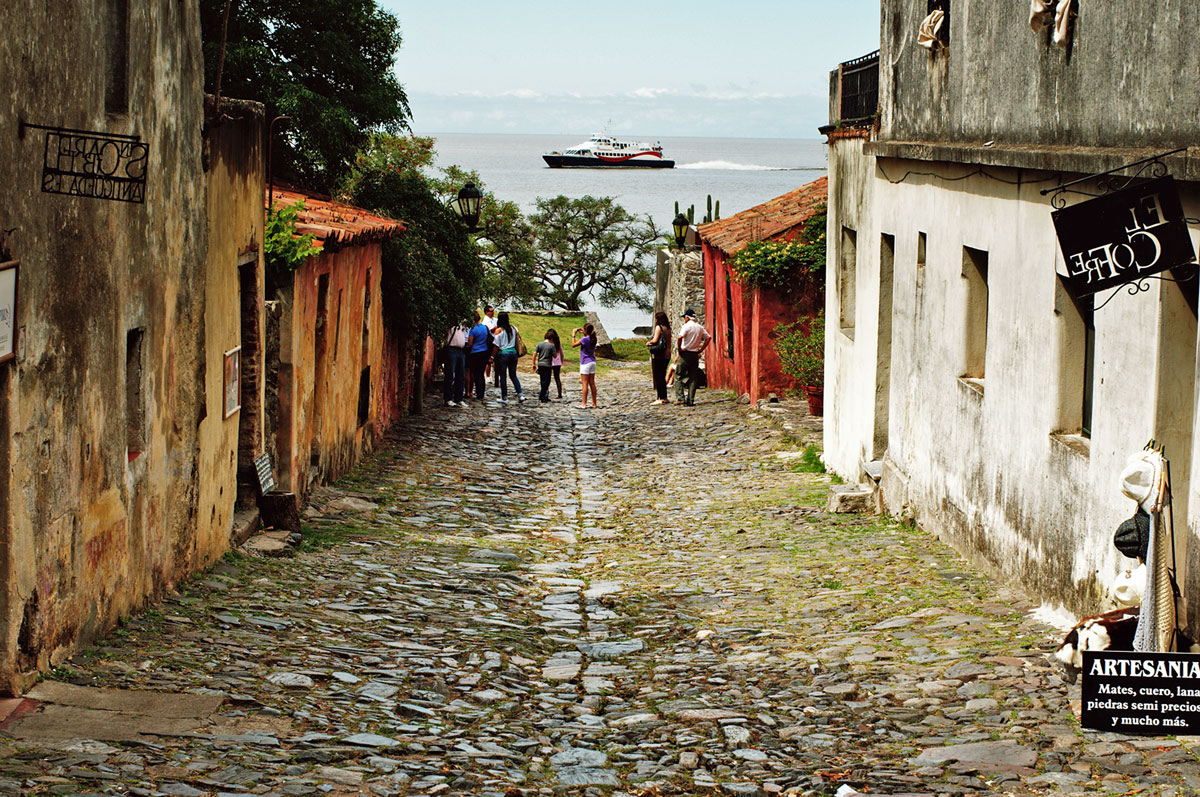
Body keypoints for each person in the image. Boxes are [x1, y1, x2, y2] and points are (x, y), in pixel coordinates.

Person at [673, 308, 711, 407]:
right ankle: (690, 399)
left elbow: (680, 337)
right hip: (695, 354)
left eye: (684, 318)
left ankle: (681, 398)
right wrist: (701, 349)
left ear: (687, 317)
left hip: (685, 353)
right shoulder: (699, 327)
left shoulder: (686, 326)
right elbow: (708, 338)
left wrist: (679, 348)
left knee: (678, 375)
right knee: (693, 377)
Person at [491, 311, 525, 403]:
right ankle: (520, 394)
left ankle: (504, 397)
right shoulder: (513, 328)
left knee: (503, 376)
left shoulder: (499, 330)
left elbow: (496, 345)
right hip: (513, 353)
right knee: (513, 375)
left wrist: (492, 357)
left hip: (503, 353)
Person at [646, 310, 672, 404]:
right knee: (662, 375)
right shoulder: (668, 328)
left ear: (658, 319)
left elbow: (655, 340)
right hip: (667, 354)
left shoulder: (659, 327)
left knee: (658, 377)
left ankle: (661, 397)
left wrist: (649, 343)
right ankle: (664, 397)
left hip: (659, 354)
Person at [442, 319, 470, 407]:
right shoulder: (451, 322)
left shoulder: (463, 325)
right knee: (450, 374)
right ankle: (448, 399)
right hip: (452, 349)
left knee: (461, 376)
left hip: (461, 350)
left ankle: (459, 398)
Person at [465, 311, 492, 401]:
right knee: (481, 372)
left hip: (475, 352)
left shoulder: (473, 329)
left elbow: (470, 342)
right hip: (484, 351)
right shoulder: (485, 327)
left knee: (475, 373)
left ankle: (477, 391)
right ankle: (481, 392)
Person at [572, 323, 599, 409]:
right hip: (592, 361)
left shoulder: (584, 339)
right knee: (592, 383)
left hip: (585, 362)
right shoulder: (593, 338)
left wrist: (573, 335)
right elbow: (588, 336)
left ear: (586, 331)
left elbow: (573, 345)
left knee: (585, 383)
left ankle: (584, 403)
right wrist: (584, 332)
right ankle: (594, 403)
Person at [534, 330, 559, 403]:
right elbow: (555, 356)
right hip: (547, 365)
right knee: (547, 381)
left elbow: (534, 354)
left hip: (540, 364)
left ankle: (544, 395)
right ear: (551, 339)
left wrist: (533, 363)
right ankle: (542, 395)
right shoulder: (551, 346)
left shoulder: (539, 344)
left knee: (542, 380)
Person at [483, 305, 498, 385]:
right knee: (489, 359)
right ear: (487, 312)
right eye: (491, 311)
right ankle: (488, 376)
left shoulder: (495, 320)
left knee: (496, 359)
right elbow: (491, 330)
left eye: (493, 311)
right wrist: (497, 327)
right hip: (490, 341)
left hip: (496, 340)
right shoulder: (485, 321)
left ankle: (495, 375)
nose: (493, 312)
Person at [548, 328, 565, 399]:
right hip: (557, 362)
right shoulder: (558, 343)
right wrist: (561, 362)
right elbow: (562, 354)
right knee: (557, 378)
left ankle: (546, 393)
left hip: (549, 362)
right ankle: (559, 393)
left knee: (548, 378)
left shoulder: (549, 344)